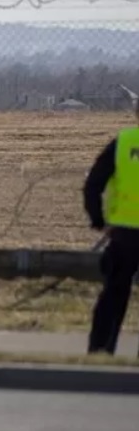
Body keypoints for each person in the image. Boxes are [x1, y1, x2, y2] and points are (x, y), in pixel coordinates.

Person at [83, 102, 139, 355]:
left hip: (124, 235)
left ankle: (101, 351)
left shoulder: (124, 143)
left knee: (114, 296)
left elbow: (93, 184)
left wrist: (98, 219)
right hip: (124, 234)